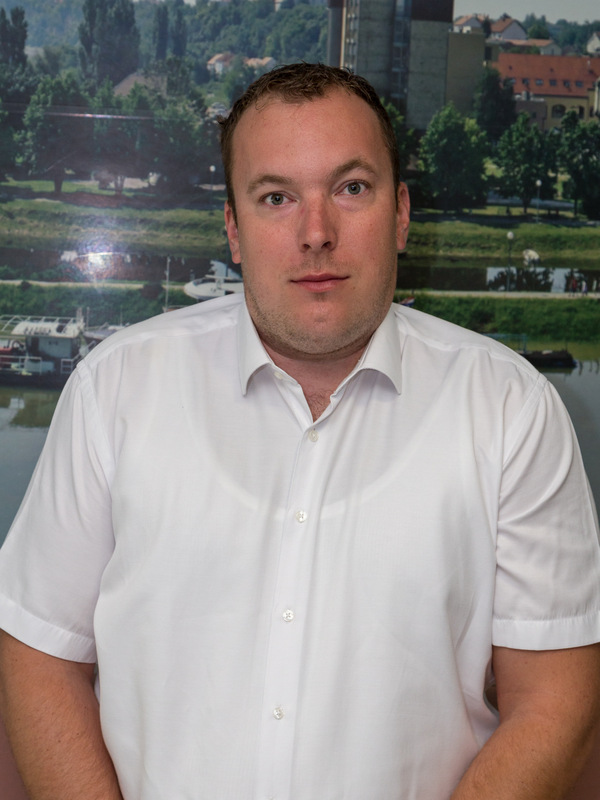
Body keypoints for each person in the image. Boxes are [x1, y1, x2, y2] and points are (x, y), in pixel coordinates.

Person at [0, 62, 600, 800]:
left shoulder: (512, 410)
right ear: (234, 229)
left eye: (351, 189)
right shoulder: (114, 389)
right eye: (277, 197)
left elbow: (555, 703)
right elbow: (38, 656)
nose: (316, 233)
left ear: (401, 213)